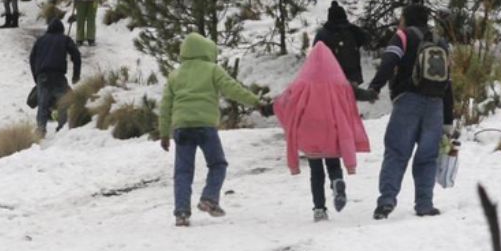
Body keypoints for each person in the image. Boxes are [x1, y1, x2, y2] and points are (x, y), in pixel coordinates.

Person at [159, 33, 260, 227]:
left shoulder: (175, 75)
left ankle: (181, 213)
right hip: (206, 127)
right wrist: (256, 102)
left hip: (182, 128)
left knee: (182, 172)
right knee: (217, 164)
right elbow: (233, 89)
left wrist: (164, 133)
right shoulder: (212, 70)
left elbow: (165, 105)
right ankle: (209, 199)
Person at [366, 3, 455, 220]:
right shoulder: (440, 42)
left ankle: (387, 201)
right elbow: (448, 82)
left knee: (396, 152)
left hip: (408, 101)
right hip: (435, 104)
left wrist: (375, 86)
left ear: (406, 18)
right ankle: (424, 204)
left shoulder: (403, 36)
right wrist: (448, 118)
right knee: (427, 156)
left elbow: (389, 61)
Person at [269, 42, 371, 222]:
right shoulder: (339, 82)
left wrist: (270, 107)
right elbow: (352, 96)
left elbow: (286, 101)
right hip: (332, 129)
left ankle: (319, 209)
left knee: (316, 172)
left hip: (310, 131)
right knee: (333, 164)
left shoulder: (302, 82)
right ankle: (337, 182)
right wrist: (370, 94)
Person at [305, 0, 375, 219]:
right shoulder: (352, 31)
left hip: (315, 119)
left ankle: (319, 209)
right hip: (347, 85)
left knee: (316, 168)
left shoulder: (322, 37)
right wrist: (368, 94)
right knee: (336, 142)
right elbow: (367, 39)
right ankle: (337, 178)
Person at [29, 17, 81, 136]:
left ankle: (41, 129)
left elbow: (32, 59)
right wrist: (76, 75)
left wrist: (36, 77)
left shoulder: (40, 40)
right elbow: (76, 55)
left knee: (42, 103)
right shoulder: (65, 39)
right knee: (63, 102)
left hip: (43, 76)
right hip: (58, 76)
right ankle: (62, 128)